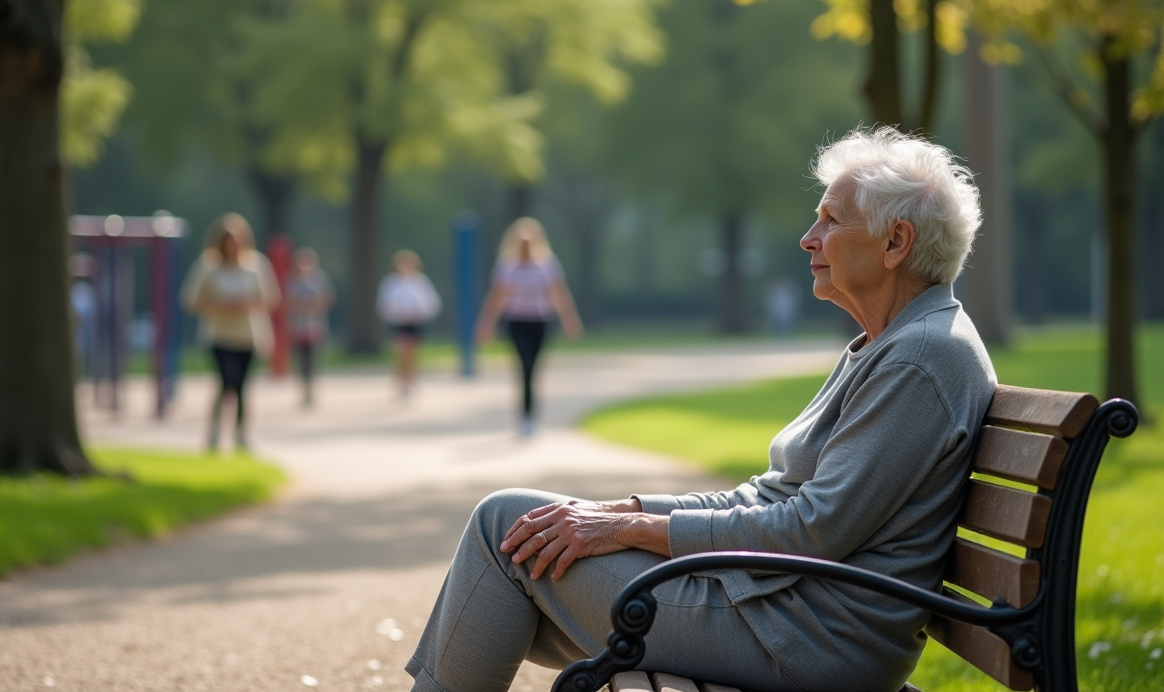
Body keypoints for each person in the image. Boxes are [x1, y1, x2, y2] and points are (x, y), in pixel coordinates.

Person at [406, 127, 994, 692]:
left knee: (503, 529)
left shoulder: (918, 358)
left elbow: (810, 530)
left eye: (831, 220)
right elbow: (770, 496)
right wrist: (622, 510)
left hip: (806, 637)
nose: (808, 238)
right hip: (784, 608)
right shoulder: (894, 344)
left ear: (895, 243)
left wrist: (630, 528)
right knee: (529, 540)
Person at [474, 218, 582, 436]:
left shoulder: (547, 264)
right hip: (517, 322)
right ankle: (525, 416)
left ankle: (532, 414)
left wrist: (570, 320)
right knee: (524, 367)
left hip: (540, 321)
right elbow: (496, 297)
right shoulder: (506, 266)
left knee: (534, 369)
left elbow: (559, 294)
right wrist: (486, 324)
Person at [181, 214, 280, 452]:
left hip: (248, 335)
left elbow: (271, 298)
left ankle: (241, 435)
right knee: (227, 382)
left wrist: (246, 304)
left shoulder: (257, 265)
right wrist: (220, 304)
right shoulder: (208, 266)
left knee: (243, 386)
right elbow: (190, 299)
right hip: (219, 335)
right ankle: (214, 432)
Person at [376, 249, 441, 398]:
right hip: (398, 323)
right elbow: (384, 305)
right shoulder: (390, 282)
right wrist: (398, 313)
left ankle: (410, 378)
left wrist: (418, 313)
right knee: (401, 351)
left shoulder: (420, 281)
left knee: (412, 353)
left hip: (415, 322)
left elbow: (431, 303)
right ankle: (401, 379)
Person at [287, 247, 336, 407]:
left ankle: (312, 389)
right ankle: (303, 389)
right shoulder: (292, 280)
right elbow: (288, 302)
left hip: (315, 326)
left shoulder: (319, 279)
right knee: (301, 361)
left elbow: (327, 299)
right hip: (298, 327)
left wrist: (311, 304)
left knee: (314, 360)